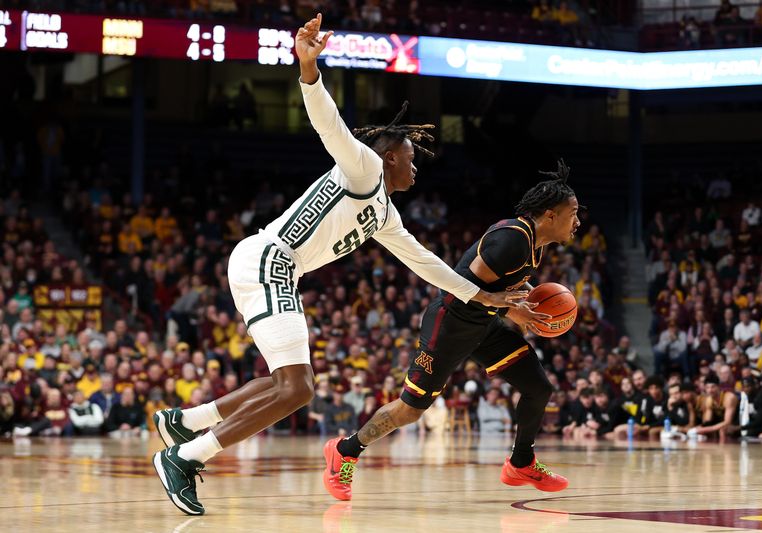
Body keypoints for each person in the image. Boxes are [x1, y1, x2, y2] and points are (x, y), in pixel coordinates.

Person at [150, 13, 523, 516]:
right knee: (298, 387)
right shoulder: (364, 168)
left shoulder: (385, 214)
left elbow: (426, 263)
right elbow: (330, 126)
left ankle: (186, 421)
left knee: (285, 381)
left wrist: (483, 296)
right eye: (410, 157)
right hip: (270, 259)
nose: (415, 166)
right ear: (390, 156)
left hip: (271, 266)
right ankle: (186, 456)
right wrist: (309, 70)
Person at [322, 158, 581, 501]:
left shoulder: (535, 242)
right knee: (410, 410)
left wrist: (523, 300)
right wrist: (508, 308)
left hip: (482, 323)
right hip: (450, 325)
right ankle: (344, 450)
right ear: (550, 215)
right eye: (573, 213)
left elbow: (500, 287)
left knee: (538, 387)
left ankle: (521, 463)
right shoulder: (513, 240)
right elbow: (461, 287)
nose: (577, 221)